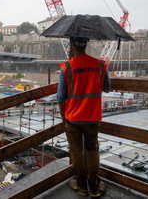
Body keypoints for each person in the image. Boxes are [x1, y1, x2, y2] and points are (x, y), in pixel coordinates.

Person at [57, 37, 111, 197]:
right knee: (92, 149)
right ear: (85, 45)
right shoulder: (100, 64)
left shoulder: (67, 66)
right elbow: (107, 88)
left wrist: (64, 119)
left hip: (72, 117)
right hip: (93, 116)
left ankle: (80, 184)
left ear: (72, 46)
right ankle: (94, 186)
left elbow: (61, 96)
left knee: (77, 150)